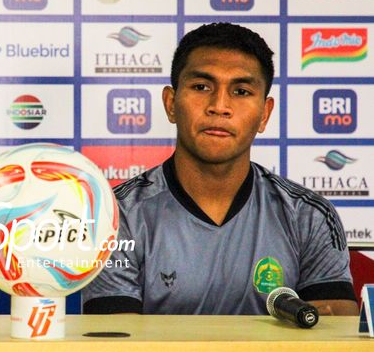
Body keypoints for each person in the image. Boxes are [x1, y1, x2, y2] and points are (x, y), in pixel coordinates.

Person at [82, 23, 359, 316]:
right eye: (201, 87)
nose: (219, 106)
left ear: (264, 114)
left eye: (240, 91)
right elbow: (115, 347)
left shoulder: (308, 214)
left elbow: (334, 342)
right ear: (171, 103)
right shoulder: (116, 215)